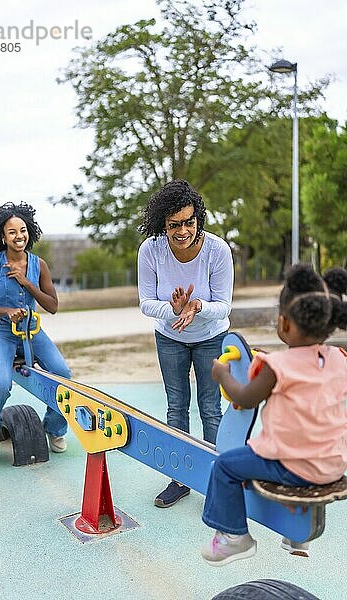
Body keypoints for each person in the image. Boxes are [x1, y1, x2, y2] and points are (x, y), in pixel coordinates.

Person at [201, 263, 347, 566]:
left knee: (226, 466)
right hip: (332, 464)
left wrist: (223, 375)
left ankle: (233, 538)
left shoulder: (276, 366)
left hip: (294, 466)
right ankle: (298, 535)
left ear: (286, 323)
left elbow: (244, 396)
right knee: (301, 446)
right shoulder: (338, 359)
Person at [137, 179, 234, 508]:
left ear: (199, 218)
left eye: (189, 222)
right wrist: (172, 309)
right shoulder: (151, 249)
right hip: (170, 337)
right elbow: (146, 302)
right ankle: (178, 478)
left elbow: (224, 305)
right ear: (162, 224)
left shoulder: (217, 250)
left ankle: (217, 480)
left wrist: (198, 307)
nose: (182, 231)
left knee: (210, 409)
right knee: (176, 407)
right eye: (174, 225)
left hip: (211, 336)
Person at [0, 202, 71, 467]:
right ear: (2, 237)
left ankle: (55, 427)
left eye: (23, 230)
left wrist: (27, 282)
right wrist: (6, 311)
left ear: (30, 232)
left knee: (63, 374)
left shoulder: (39, 264)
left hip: (32, 330)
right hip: (0, 332)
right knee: (0, 384)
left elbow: (53, 306)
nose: (19, 236)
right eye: (12, 232)